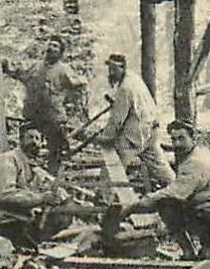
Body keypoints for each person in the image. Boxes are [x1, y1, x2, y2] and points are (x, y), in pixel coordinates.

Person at [124, 120, 210, 261]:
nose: (176, 144)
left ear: (193, 138)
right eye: (173, 139)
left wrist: (134, 207)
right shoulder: (199, 154)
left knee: (166, 204)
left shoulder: (195, 162)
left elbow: (175, 193)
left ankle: (192, 252)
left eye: (181, 138)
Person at [74, 53, 173, 187]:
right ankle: (177, 187)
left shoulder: (125, 88)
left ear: (122, 67)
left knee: (112, 166)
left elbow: (117, 120)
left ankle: (105, 199)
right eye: (109, 69)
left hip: (135, 134)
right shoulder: (133, 79)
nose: (111, 73)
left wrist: (105, 139)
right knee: (159, 165)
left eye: (114, 69)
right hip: (150, 129)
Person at [0, 123, 69, 251]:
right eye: (30, 137)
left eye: (38, 139)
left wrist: (63, 198)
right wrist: (41, 198)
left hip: (18, 220)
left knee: (61, 219)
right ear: (20, 140)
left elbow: (51, 186)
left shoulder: (33, 167)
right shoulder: (7, 160)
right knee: (30, 240)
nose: (34, 142)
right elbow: (5, 195)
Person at [3, 35, 87, 175]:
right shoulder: (36, 67)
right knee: (27, 148)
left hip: (52, 118)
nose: (51, 48)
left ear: (60, 53)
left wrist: (76, 108)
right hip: (33, 116)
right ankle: (26, 177)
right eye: (50, 45)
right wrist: (6, 67)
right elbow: (20, 74)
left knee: (55, 151)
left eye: (55, 46)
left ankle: (51, 180)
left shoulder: (64, 70)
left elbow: (79, 85)